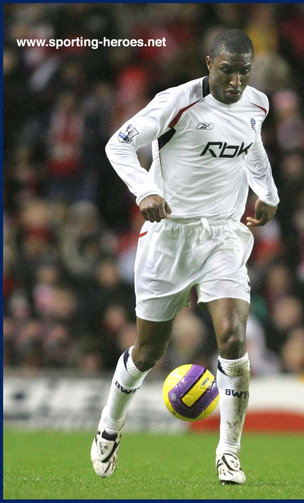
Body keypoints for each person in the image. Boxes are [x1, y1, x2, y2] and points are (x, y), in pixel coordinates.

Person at [90, 28, 279, 485]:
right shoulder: (175, 102)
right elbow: (118, 143)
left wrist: (267, 193)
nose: (236, 82)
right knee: (147, 352)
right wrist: (146, 190)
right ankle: (109, 428)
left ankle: (228, 453)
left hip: (223, 236)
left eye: (244, 72)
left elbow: (253, 146)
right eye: (228, 71)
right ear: (209, 64)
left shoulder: (258, 104)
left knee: (233, 339)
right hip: (169, 235)